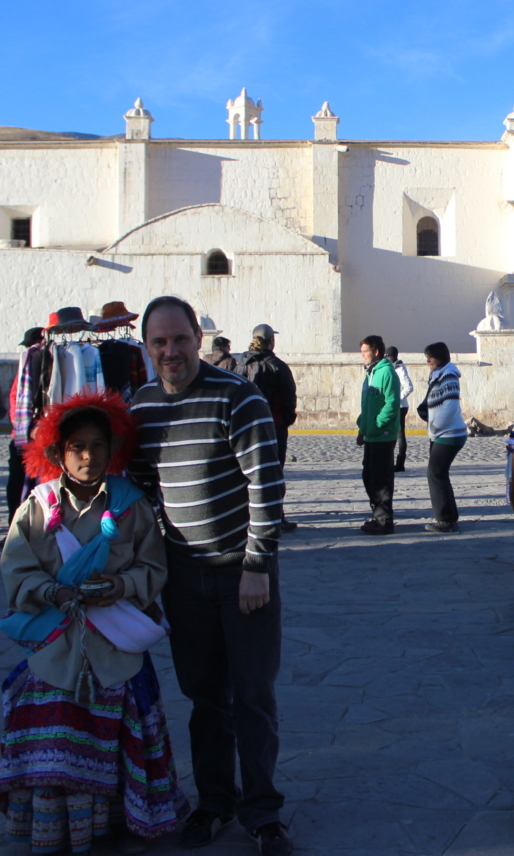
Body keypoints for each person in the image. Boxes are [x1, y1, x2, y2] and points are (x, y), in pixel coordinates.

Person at [128, 297, 291, 856]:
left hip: (241, 574)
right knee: (204, 699)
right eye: (159, 342)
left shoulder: (236, 398)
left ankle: (263, 811)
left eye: (179, 339)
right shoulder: (142, 407)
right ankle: (216, 803)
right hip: (183, 578)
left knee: (252, 696)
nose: (170, 351)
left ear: (198, 337)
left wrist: (255, 566)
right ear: (147, 346)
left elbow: (265, 488)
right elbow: (144, 487)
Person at [0, 391, 188, 852]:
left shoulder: (132, 506)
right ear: (58, 453)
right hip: (56, 647)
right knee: (40, 721)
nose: (88, 456)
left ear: (112, 449)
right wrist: (51, 592)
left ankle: (115, 823)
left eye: (98, 445)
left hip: (113, 649)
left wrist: (121, 588)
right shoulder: (38, 508)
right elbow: (16, 568)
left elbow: (153, 567)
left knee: (122, 725)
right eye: (77, 447)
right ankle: (57, 828)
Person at [235, 325, 299, 533]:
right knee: (273, 473)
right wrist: (288, 418)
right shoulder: (277, 366)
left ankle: (248, 516)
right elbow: (289, 396)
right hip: (274, 425)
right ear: (271, 341)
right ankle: (274, 516)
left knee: (247, 473)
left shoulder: (241, 365)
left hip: (246, 427)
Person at [417, 342, 468, 533]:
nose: (428, 360)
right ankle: (449, 517)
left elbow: (450, 405)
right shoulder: (437, 375)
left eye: (431, 356)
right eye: (426, 357)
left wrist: (436, 426)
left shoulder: (448, 376)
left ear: (441, 356)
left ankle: (446, 520)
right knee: (439, 474)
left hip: (449, 433)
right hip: (442, 433)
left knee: (435, 473)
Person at [357, 335, 400, 535]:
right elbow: (366, 406)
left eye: (365, 352)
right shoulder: (370, 374)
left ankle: (384, 520)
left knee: (381, 479)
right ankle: (377, 514)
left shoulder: (387, 373)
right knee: (369, 476)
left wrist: (376, 425)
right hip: (371, 435)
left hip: (383, 435)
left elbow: (391, 405)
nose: (362, 355)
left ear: (375, 352)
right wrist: (362, 429)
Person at [7, 326, 44, 522]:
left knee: (21, 482)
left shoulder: (43, 359)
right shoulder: (30, 362)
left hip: (25, 434)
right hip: (23, 436)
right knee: (18, 482)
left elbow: (13, 398)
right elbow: (14, 398)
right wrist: (24, 428)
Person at [385, 347, 413, 473]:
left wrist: (398, 399)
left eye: (388, 356)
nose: (387, 358)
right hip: (392, 406)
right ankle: (389, 461)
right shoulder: (389, 367)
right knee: (391, 433)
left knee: (400, 434)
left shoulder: (400, 368)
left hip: (400, 406)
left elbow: (409, 387)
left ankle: (400, 463)